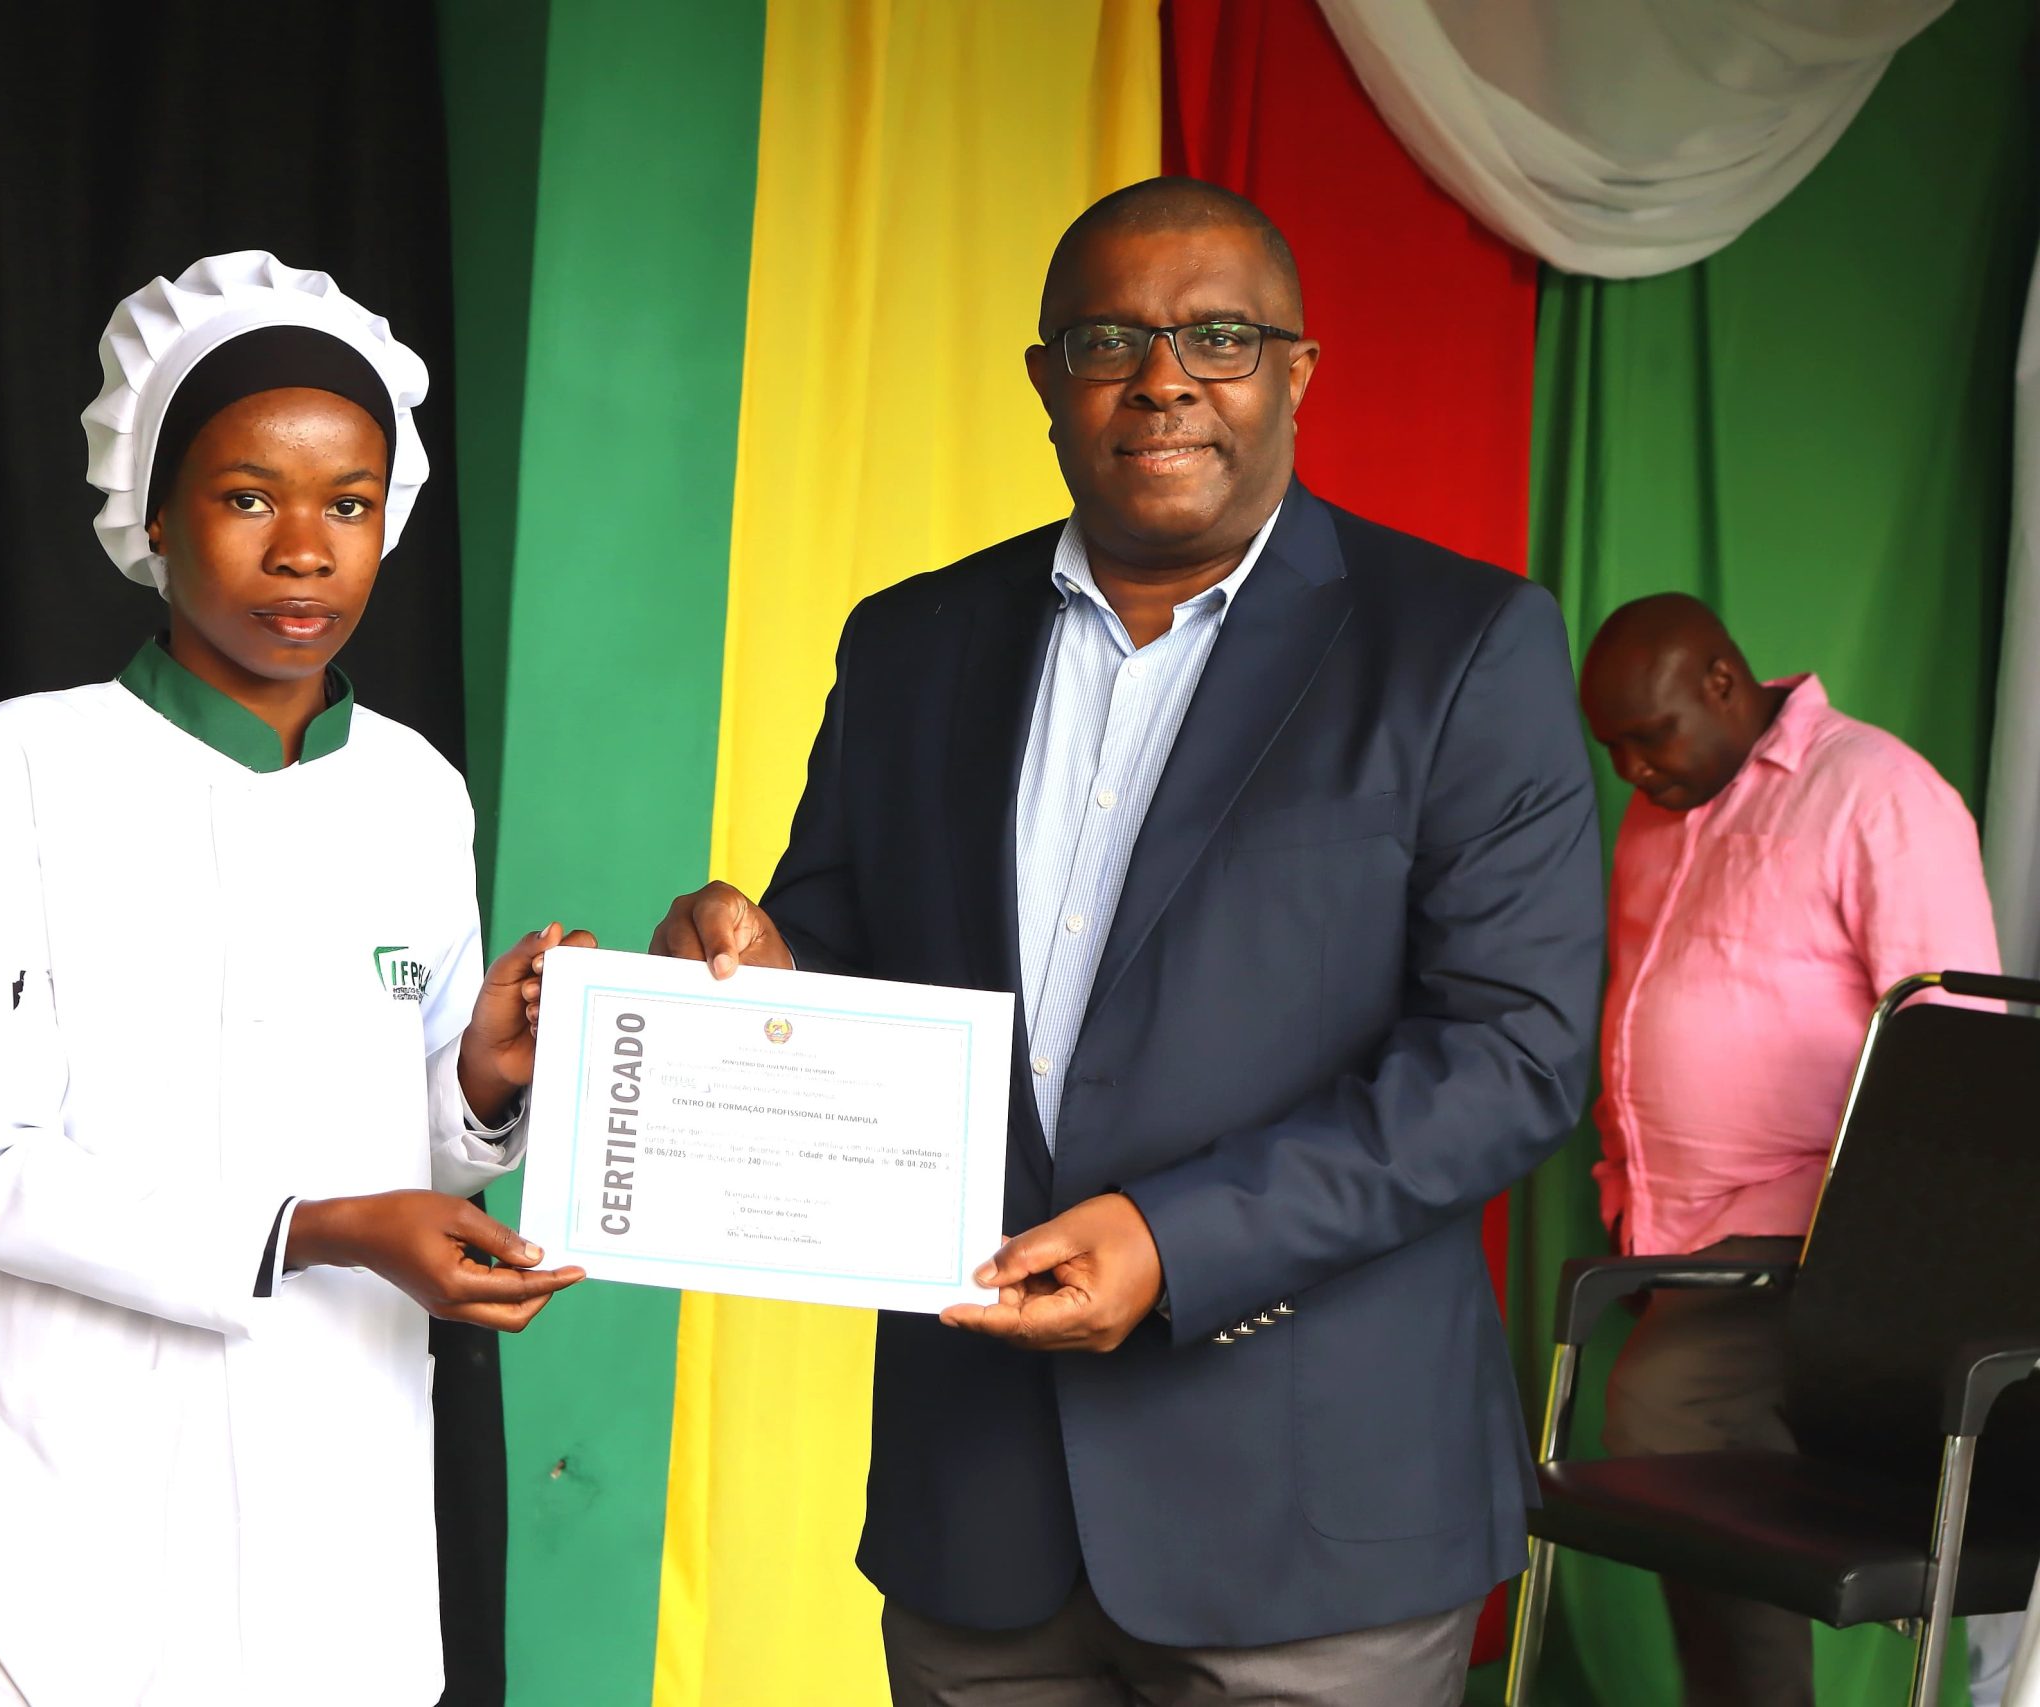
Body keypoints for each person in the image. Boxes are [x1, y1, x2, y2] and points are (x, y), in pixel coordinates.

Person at [652, 178, 1605, 1705]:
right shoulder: (910, 642)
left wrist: (1178, 1240)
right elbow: (834, 955)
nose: (1164, 378)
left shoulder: (1460, 643)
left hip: (1312, 1523)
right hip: (979, 1508)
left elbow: (1512, 1055)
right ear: (1047, 379)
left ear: (1297, 371)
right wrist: (754, 977)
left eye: (1220, 336)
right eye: (1111, 340)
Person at [0, 252, 585, 1705]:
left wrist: (482, 1075)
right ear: (154, 513)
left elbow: (420, 1147)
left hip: (336, 1461)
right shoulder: (18, 767)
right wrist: (318, 1228)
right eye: (248, 496)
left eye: (349, 503)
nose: (304, 551)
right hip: (73, 1469)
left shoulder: (414, 789)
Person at [1580, 592, 2005, 1707]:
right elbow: (1643, 1009)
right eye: (1612, 747)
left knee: (1671, 1427)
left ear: (1723, 682)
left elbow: (1955, 1051)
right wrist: (1630, 1193)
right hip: (1679, 1239)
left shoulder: (1876, 792)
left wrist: (1889, 1274)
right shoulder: (1658, 811)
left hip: (1814, 1238)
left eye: (1649, 736)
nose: (1630, 769)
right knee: (1699, 1489)